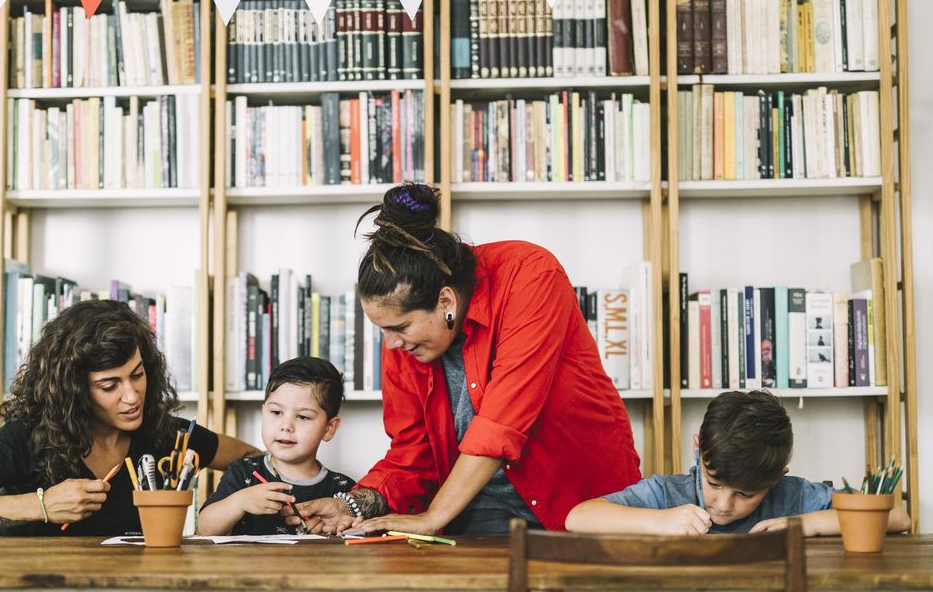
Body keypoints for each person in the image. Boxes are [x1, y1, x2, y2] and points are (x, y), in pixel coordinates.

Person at [295, 183, 641, 536]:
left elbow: (500, 424)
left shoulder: (530, 275)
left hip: (583, 502)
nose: (392, 345)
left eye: (399, 327)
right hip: (481, 510)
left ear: (446, 301)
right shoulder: (401, 340)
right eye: (383, 330)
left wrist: (432, 518)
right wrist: (351, 504)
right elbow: (413, 454)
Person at [0, 298, 258, 537]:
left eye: (137, 375)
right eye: (110, 385)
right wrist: (43, 505)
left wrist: (228, 506)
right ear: (73, 390)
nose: (131, 395)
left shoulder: (165, 436)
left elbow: (252, 460)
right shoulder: (26, 437)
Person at [564, 389, 912, 535]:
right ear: (699, 451)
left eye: (746, 494)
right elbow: (578, 517)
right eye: (714, 483)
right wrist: (659, 521)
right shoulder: (667, 494)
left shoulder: (790, 499)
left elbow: (897, 516)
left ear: (777, 477)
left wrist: (809, 524)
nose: (723, 504)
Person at [198, 356, 354, 535]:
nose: (286, 426)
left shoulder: (343, 490)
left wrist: (337, 531)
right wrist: (239, 502)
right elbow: (203, 530)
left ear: (329, 428)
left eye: (302, 417)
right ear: (263, 412)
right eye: (276, 412)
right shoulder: (244, 472)